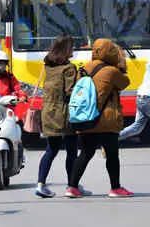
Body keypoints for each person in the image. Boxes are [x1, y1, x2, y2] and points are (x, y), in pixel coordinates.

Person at [66, 39, 133, 198]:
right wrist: (121, 65)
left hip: (86, 118)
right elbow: (125, 83)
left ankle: (72, 187)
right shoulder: (112, 71)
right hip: (105, 120)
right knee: (111, 155)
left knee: (85, 153)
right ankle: (115, 188)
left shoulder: (83, 68)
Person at [34, 35, 90, 198]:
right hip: (64, 113)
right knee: (71, 151)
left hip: (48, 111)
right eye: (72, 47)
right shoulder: (69, 68)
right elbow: (70, 91)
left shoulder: (48, 66)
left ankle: (41, 184)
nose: (73, 50)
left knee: (51, 150)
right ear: (66, 50)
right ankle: (71, 186)